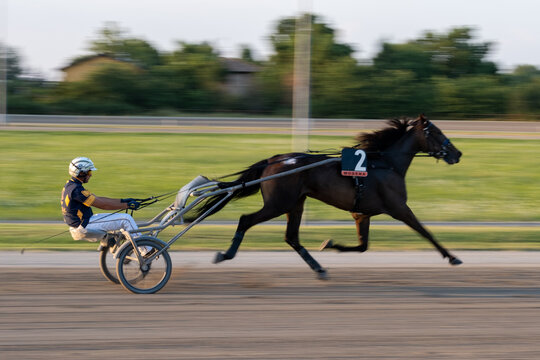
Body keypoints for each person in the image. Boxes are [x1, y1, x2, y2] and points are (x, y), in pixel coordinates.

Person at [61, 156, 142, 247]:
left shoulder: (71, 185)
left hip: (84, 222)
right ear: (81, 173)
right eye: (89, 171)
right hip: (84, 225)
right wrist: (127, 205)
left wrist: (123, 201)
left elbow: (99, 199)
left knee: (118, 221)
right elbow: (103, 205)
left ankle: (124, 251)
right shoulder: (77, 190)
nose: (91, 174)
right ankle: (146, 250)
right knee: (126, 219)